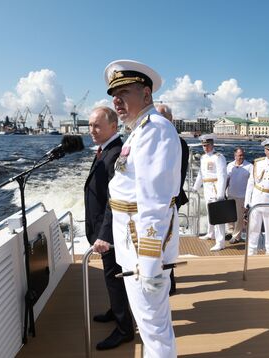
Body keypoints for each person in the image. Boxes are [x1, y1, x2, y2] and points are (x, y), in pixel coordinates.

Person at [105, 59, 181, 358]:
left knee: (154, 326)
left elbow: (155, 201)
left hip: (141, 245)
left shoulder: (154, 130)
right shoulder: (138, 131)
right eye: (113, 93)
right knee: (149, 324)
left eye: (124, 91)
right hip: (130, 240)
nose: (116, 100)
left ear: (146, 95)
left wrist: (150, 262)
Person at [84, 106, 134, 350]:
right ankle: (116, 310)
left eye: (96, 125)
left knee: (114, 278)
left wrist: (104, 235)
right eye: (90, 125)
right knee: (111, 277)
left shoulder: (116, 154)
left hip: (111, 232)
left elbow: (115, 199)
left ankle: (125, 329)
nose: (91, 130)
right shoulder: (105, 150)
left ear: (113, 127)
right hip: (104, 229)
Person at [156, 103, 189, 295]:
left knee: (166, 246)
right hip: (160, 203)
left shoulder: (177, 143)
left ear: (170, 119)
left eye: (161, 116)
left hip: (168, 202)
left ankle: (169, 285)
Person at [192, 134, 227, 251]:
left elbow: (222, 176)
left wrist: (221, 193)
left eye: (207, 145)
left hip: (215, 188)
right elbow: (201, 174)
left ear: (212, 145)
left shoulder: (218, 157)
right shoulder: (203, 158)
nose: (205, 148)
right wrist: (195, 187)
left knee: (217, 215)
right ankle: (210, 233)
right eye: (203, 145)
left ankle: (220, 242)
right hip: (207, 188)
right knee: (209, 212)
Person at [225, 147, 252, 243]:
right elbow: (227, 180)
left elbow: (252, 183)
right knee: (230, 215)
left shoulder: (249, 166)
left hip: (242, 196)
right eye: (239, 155)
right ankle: (230, 232)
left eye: (242, 155)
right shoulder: (229, 165)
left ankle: (236, 237)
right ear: (235, 155)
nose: (241, 157)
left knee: (239, 218)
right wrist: (223, 192)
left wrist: (250, 199)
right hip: (230, 194)